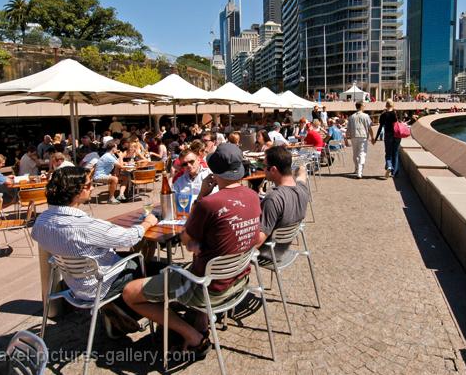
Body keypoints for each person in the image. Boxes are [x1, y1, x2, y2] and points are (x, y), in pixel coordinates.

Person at [123, 143, 261, 358]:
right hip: (238, 280)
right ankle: (199, 320)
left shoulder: (209, 203)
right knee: (198, 261)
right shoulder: (253, 197)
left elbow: (187, 242)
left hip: (208, 287)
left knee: (130, 292)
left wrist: (202, 195)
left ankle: (193, 337)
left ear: (213, 172)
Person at [31, 167, 160, 337]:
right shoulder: (83, 225)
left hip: (76, 284)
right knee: (161, 270)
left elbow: (36, 236)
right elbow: (128, 238)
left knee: (129, 257)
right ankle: (140, 313)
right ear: (76, 192)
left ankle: (118, 310)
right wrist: (148, 222)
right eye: (89, 184)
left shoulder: (42, 221)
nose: (92, 188)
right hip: (101, 283)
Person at [255, 146, 309, 259]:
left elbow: (257, 242)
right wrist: (299, 168)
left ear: (273, 170)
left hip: (269, 251)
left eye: (264, 166)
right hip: (284, 247)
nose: (263, 169)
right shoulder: (302, 189)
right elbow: (302, 173)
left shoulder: (273, 199)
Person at [347, 102, 375, 179]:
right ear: (361, 106)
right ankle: (359, 171)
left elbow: (348, 129)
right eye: (364, 106)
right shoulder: (366, 116)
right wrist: (372, 137)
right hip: (363, 136)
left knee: (355, 153)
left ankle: (356, 168)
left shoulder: (351, 117)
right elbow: (369, 128)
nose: (364, 107)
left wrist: (346, 138)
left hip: (353, 136)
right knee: (362, 153)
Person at [374, 99, 400, 178]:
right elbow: (397, 124)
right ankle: (394, 172)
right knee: (395, 152)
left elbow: (380, 127)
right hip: (396, 135)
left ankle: (389, 166)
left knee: (388, 153)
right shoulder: (394, 114)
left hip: (388, 135)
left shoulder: (383, 115)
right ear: (392, 105)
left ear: (386, 105)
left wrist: (375, 138)